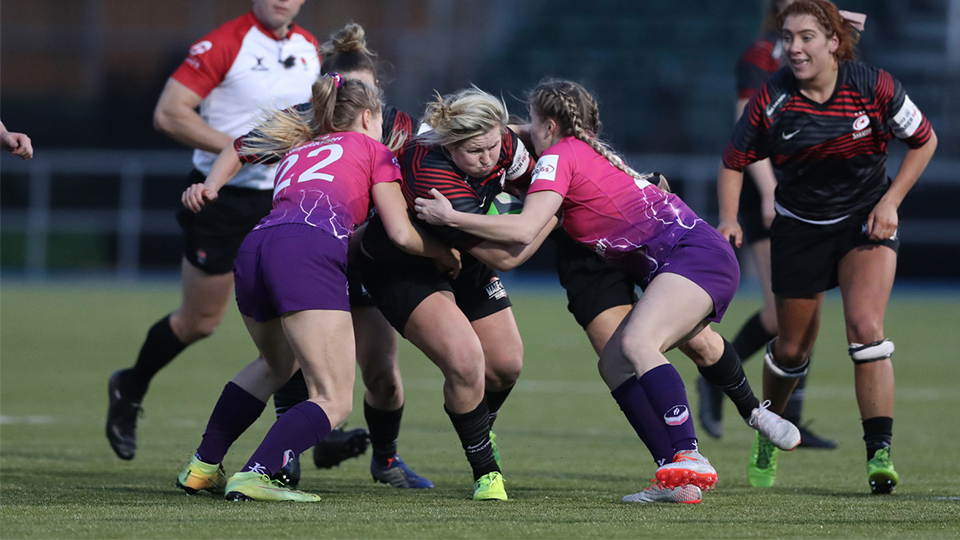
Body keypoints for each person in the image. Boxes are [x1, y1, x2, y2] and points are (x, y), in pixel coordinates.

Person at [414, 79, 802, 502]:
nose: (492, 151)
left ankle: (697, 449)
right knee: (616, 362)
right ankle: (678, 478)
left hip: (687, 255)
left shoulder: (556, 157)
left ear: (548, 125)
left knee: (647, 343)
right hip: (657, 256)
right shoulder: (577, 148)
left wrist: (451, 218)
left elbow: (521, 236)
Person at [175, 74, 460, 502]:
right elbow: (400, 234)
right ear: (368, 116)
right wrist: (442, 254)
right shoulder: (373, 148)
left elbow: (239, 149)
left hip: (256, 247)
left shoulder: (299, 147)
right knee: (333, 399)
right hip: (306, 251)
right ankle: (256, 474)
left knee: (274, 365)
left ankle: (201, 467)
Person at [717, 0, 936, 493]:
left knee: (866, 329)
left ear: (833, 43)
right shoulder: (773, 98)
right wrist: (730, 218)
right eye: (788, 37)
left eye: (806, 37)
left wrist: (891, 202)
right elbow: (733, 160)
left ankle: (879, 454)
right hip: (799, 228)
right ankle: (768, 434)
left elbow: (924, 140)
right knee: (792, 349)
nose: (793, 48)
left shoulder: (873, 85)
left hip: (865, 224)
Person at [211, 23, 434, 490]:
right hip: (314, 250)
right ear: (328, 94)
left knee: (382, 376)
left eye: (367, 91)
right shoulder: (304, 121)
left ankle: (385, 458)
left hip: (357, 257)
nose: (360, 100)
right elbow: (240, 147)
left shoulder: (398, 126)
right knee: (301, 369)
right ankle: (277, 463)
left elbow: (436, 152)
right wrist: (211, 186)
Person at [106, 0, 320, 461]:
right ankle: (130, 385)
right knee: (200, 321)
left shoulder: (309, 48)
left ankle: (294, 442)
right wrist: (244, 150)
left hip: (286, 197)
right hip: (222, 199)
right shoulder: (224, 43)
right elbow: (170, 113)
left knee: (298, 318)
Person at [357, 87, 553, 501]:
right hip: (404, 265)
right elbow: (505, 256)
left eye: (493, 144)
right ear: (450, 143)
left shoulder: (505, 144)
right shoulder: (432, 171)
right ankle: (487, 473)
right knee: (465, 362)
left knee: (505, 365)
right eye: (475, 151)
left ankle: (479, 430)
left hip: (462, 250)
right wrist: (555, 214)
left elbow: (532, 186)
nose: (488, 157)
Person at [697, 0, 837, 450]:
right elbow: (745, 131)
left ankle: (792, 418)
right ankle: (717, 377)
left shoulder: (816, 49)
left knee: (805, 311)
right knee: (784, 313)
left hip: (805, 190)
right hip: (770, 192)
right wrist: (771, 190)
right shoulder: (761, 56)